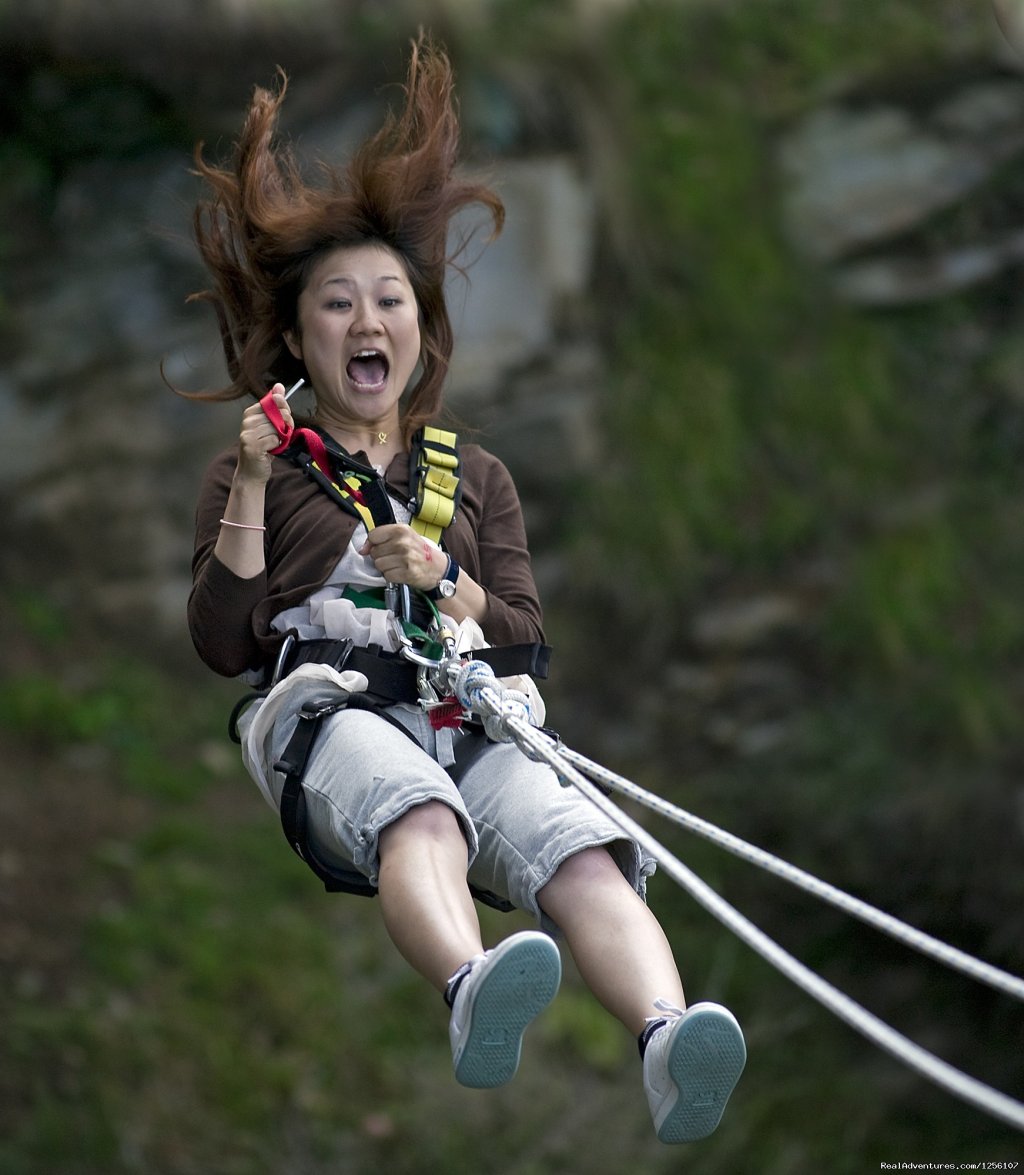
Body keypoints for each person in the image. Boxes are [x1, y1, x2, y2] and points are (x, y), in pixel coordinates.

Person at [183, 34, 745, 1143]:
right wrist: (249, 478)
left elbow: (527, 637)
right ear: (297, 337)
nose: (364, 321)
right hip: (334, 716)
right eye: (335, 304)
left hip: (471, 712)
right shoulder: (262, 467)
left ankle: (666, 1036)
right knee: (416, 810)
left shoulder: (471, 477)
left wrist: (457, 589)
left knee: (577, 842)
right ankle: (465, 985)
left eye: (386, 299)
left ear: (419, 328)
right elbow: (220, 637)